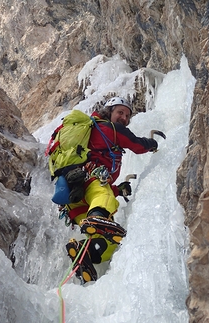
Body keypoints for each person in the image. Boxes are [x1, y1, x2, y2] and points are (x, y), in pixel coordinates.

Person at [62, 96, 164, 283]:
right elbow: (136, 144)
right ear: (109, 112)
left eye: (127, 115)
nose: (124, 118)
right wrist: (152, 143)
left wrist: (118, 189)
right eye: (120, 112)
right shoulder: (108, 128)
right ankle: (97, 219)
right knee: (106, 199)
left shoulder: (97, 133)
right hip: (91, 184)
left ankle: (84, 254)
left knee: (110, 240)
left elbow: (99, 188)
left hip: (76, 201)